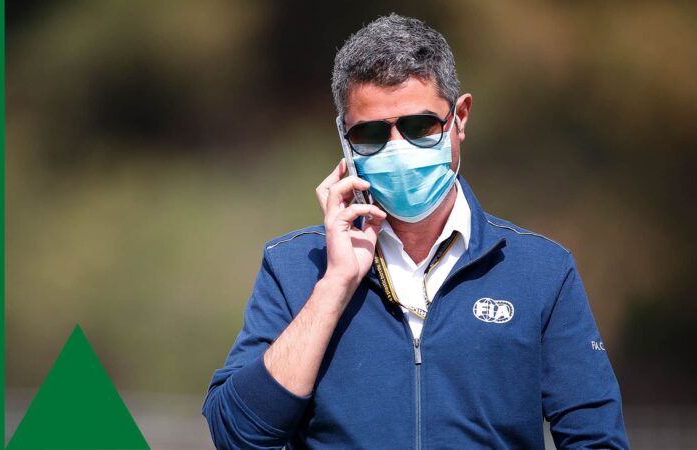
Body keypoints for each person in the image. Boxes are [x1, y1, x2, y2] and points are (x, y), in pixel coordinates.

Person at [201, 13, 629, 450]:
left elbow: (597, 441)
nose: (398, 149)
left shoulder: (542, 273)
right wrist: (333, 286)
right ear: (344, 139)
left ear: (459, 117)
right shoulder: (295, 269)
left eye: (420, 126)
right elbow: (237, 435)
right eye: (370, 134)